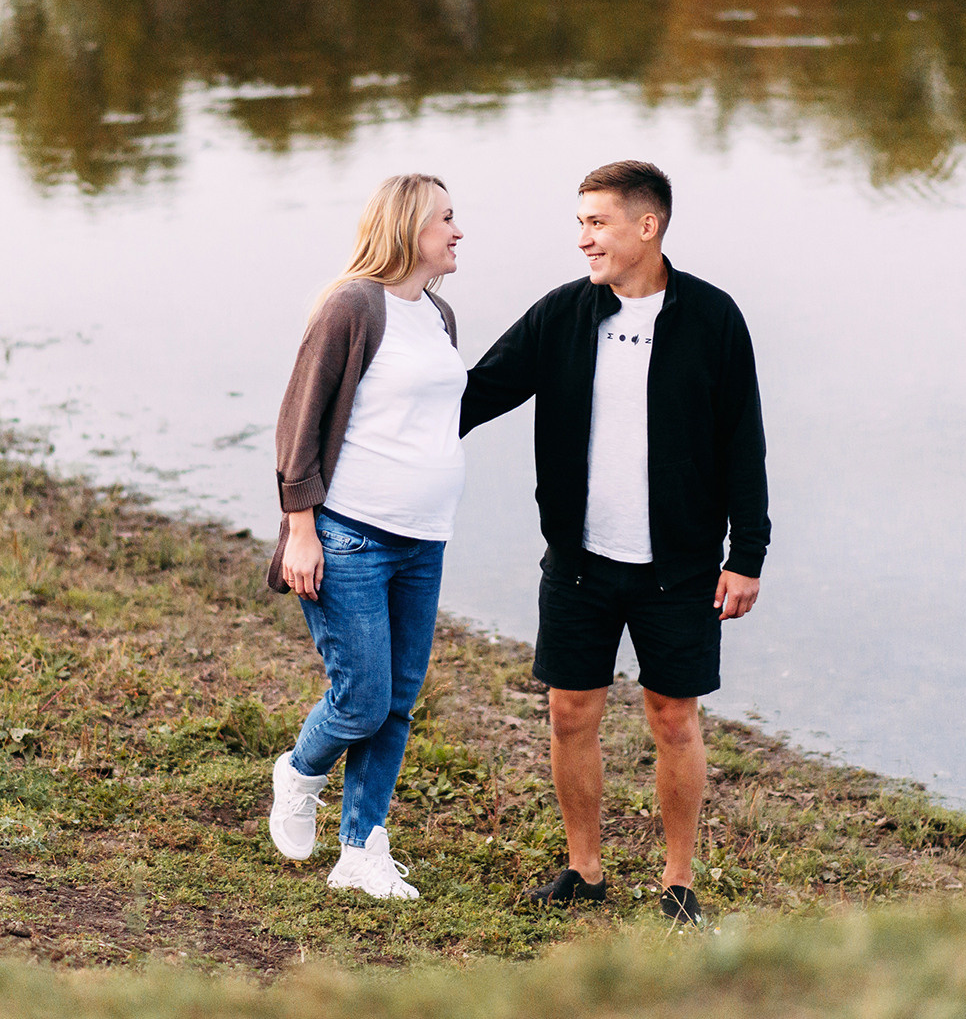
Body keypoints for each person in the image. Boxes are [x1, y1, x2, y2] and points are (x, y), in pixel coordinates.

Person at [460, 160, 768, 925]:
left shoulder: (712, 318)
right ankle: (584, 868)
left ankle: (677, 880)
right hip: (579, 562)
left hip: (681, 565)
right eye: (580, 223)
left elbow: (744, 443)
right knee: (571, 709)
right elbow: (475, 393)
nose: (583, 239)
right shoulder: (563, 315)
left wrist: (747, 554)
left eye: (596, 222)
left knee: (673, 716)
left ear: (647, 225)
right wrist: (375, 416)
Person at [264, 173, 466, 900]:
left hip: (424, 540)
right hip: (349, 537)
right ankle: (299, 770)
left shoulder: (439, 316)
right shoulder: (353, 305)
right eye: (447, 217)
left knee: (400, 701)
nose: (458, 230)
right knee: (362, 698)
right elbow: (300, 419)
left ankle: (361, 850)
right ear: (410, 226)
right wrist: (300, 530)